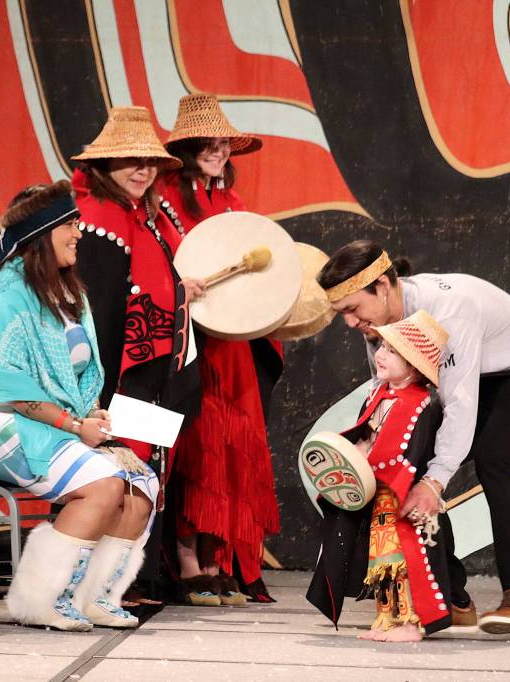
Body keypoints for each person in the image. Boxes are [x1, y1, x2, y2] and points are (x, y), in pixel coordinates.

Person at [317, 240, 510, 635]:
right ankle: (451, 597)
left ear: (383, 286)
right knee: (410, 464)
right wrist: (362, 455)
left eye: (352, 309)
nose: (350, 323)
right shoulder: (377, 323)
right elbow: (388, 398)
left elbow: (459, 402)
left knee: (493, 457)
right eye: (342, 314)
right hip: (474, 381)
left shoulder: (451, 310)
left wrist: (435, 482)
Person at [0, 180, 158, 632]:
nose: (78, 233)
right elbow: (7, 386)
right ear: (41, 234)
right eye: (70, 224)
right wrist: (74, 425)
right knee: (103, 484)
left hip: (58, 427)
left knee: (141, 484)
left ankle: (95, 598)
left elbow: (81, 379)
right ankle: (42, 599)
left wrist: (93, 418)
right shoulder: (7, 296)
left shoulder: (71, 296)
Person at [71, 107, 204, 604]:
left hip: (148, 377)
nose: (143, 169)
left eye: (149, 161)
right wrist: (100, 394)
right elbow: (101, 312)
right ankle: (99, 587)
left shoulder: (139, 218)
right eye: (130, 160)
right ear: (104, 166)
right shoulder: (102, 219)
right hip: (121, 379)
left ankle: (124, 584)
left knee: (145, 474)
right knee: (123, 474)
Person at [158, 93, 282, 605]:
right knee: (199, 448)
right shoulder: (165, 198)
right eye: (207, 143)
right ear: (187, 147)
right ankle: (188, 563)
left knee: (234, 451)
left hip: (235, 347)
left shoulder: (234, 204)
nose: (218, 151)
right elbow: (165, 269)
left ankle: (218, 559)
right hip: (192, 343)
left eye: (224, 143)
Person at [306, 310, 454, 641]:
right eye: (382, 347)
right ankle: (388, 618)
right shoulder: (377, 396)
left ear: (415, 366)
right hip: (377, 495)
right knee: (381, 560)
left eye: (392, 351)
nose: (381, 355)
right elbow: (366, 436)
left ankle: (413, 622)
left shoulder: (423, 405)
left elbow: (416, 454)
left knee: (407, 561)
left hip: (402, 497)